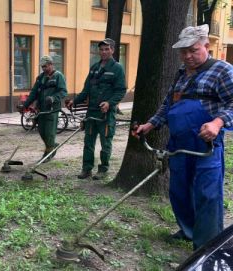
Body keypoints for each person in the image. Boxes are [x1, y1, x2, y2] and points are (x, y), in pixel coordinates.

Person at [135, 24, 233, 249]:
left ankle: (207, 247)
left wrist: (217, 123)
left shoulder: (222, 70)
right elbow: (169, 104)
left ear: (206, 46)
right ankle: (189, 231)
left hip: (205, 145)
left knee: (207, 195)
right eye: (183, 51)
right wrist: (151, 124)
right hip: (178, 145)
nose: (187, 56)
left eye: (193, 50)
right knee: (179, 191)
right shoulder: (181, 74)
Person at [67, 38, 126, 180]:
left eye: (107, 49)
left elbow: (120, 90)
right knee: (88, 142)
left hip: (106, 114)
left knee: (106, 142)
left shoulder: (117, 68)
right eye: (101, 49)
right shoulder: (94, 68)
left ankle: (103, 169)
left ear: (112, 50)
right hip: (91, 112)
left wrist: (109, 103)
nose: (104, 52)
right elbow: (86, 89)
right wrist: (74, 101)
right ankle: (86, 169)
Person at [21, 55, 67, 163]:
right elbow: (34, 93)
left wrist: (53, 98)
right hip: (41, 109)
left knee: (49, 133)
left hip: (52, 110)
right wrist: (25, 105)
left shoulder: (58, 76)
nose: (44, 69)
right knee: (42, 131)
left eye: (45, 66)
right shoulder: (40, 78)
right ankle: (53, 146)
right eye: (42, 67)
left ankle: (47, 155)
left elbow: (63, 92)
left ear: (51, 64)